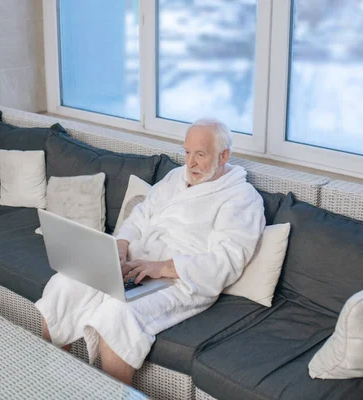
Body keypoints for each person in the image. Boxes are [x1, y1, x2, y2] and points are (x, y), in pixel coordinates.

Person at [35, 118, 265, 385]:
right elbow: (142, 214)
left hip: (181, 280)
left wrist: (163, 267)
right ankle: (52, 382)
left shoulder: (241, 198)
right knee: (64, 284)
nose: (190, 163)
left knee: (116, 314)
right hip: (138, 263)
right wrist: (121, 244)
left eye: (200, 155)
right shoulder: (175, 178)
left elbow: (229, 258)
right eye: (187, 152)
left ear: (224, 155)